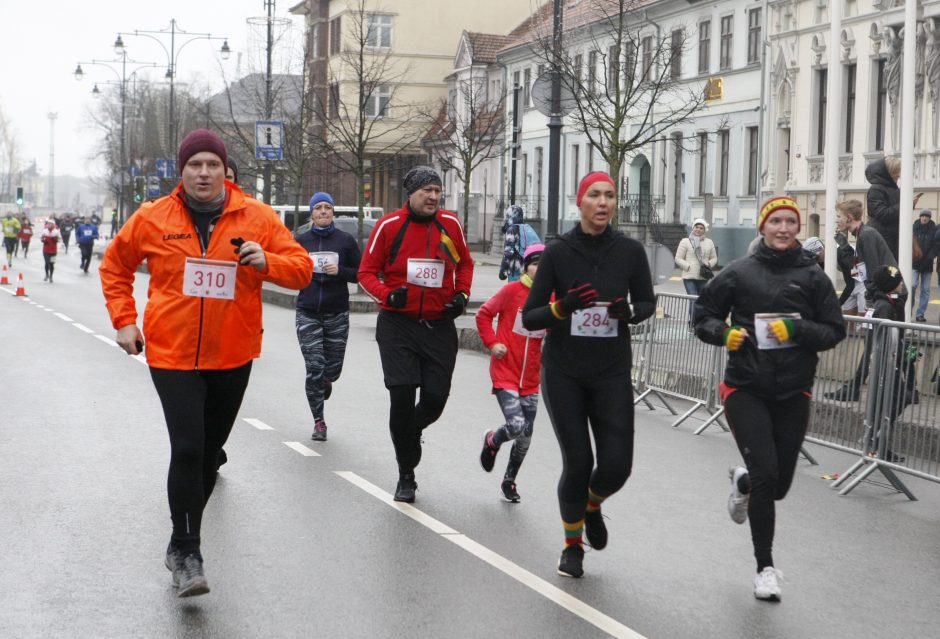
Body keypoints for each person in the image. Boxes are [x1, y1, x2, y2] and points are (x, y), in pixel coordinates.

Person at [99, 128, 312, 598]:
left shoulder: (256, 216)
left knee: (209, 455)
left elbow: (302, 269)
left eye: (212, 164)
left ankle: (179, 541)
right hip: (172, 353)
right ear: (182, 171)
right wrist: (124, 321)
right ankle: (190, 552)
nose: (203, 172)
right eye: (195, 164)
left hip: (232, 352)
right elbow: (114, 266)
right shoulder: (153, 217)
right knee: (190, 448)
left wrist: (267, 262)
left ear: (224, 170)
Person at [693, 195, 845, 601]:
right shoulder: (739, 273)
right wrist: (724, 334)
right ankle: (765, 569)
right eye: (775, 221)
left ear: (799, 229)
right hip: (745, 386)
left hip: (794, 389)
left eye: (789, 222)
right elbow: (702, 317)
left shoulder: (813, 278)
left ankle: (743, 483)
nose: (782, 228)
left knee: (776, 487)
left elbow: (835, 330)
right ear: (762, 228)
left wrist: (797, 332)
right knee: (766, 475)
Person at [521, 172, 655, 578]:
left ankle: (592, 504)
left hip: (611, 371)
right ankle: (571, 546)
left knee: (617, 466)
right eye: (594, 195)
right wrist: (563, 307)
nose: (602, 203)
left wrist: (629, 313)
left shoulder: (630, 251)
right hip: (564, 372)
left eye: (609, 196)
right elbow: (531, 316)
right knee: (578, 462)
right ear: (579, 202)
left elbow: (647, 301)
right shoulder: (559, 252)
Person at [358, 165, 474, 503]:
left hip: (439, 325)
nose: (434, 196)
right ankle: (406, 473)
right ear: (411, 193)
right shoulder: (389, 226)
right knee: (402, 394)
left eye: (438, 190)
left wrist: (462, 296)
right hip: (398, 325)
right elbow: (366, 272)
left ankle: (411, 433)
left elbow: (465, 263)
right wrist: (386, 294)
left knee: (435, 400)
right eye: (427, 190)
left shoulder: (450, 225)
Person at [476, 242, 546, 503]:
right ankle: (493, 441)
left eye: (544, 264)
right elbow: (483, 315)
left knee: (525, 437)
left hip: (530, 377)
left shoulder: (552, 297)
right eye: (536, 263)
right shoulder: (512, 291)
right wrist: (493, 343)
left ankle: (509, 481)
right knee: (516, 425)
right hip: (505, 371)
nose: (540, 269)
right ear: (526, 266)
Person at [294, 191, 361, 441]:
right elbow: (289, 268)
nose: (323, 211)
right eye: (318, 208)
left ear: (333, 212)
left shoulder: (345, 241)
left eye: (327, 208)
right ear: (311, 213)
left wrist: (340, 270)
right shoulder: (301, 241)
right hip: (307, 312)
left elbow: (361, 273)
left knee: (331, 370)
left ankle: (327, 380)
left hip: (336, 313)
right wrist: (300, 271)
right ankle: (319, 421)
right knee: (314, 367)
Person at [825, 199, 898, 401]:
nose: (836, 220)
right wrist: (845, 246)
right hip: (885, 295)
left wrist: (872, 299)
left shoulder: (866, 235)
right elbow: (859, 271)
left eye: (838, 216)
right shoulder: (863, 235)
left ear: (849, 218)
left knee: (879, 343)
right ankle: (857, 388)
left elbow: (874, 272)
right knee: (877, 343)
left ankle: (858, 389)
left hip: (888, 296)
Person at [865, 156, 921, 260]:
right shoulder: (876, 189)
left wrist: (910, 205)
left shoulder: (894, 188)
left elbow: (896, 212)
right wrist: (905, 205)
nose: (899, 175)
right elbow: (882, 214)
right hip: (883, 238)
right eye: (896, 172)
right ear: (889, 172)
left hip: (893, 238)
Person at [674, 218, 718, 296]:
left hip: (703, 276)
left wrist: (709, 264)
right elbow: (678, 258)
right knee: (693, 300)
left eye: (701, 228)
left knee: (700, 301)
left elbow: (714, 258)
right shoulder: (685, 241)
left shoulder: (709, 242)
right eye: (696, 227)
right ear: (693, 228)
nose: (698, 229)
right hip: (689, 276)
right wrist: (687, 266)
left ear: (704, 230)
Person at [498, 204, 540, 282]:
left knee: (514, 292)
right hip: (526, 269)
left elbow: (508, 252)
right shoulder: (525, 228)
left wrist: (502, 270)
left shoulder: (512, 229)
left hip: (515, 270)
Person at [911, 209, 936, 322]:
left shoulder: (934, 230)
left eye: (926, 216)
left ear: (929, 218)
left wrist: (929, 258)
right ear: (920, 217)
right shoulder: (913, 228)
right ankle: (908, 310)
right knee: (912, 285)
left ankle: (920, 314)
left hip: (927, 264)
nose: (924, 218)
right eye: (923, 216)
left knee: (925, 290)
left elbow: (936, 246)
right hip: (914, 263)